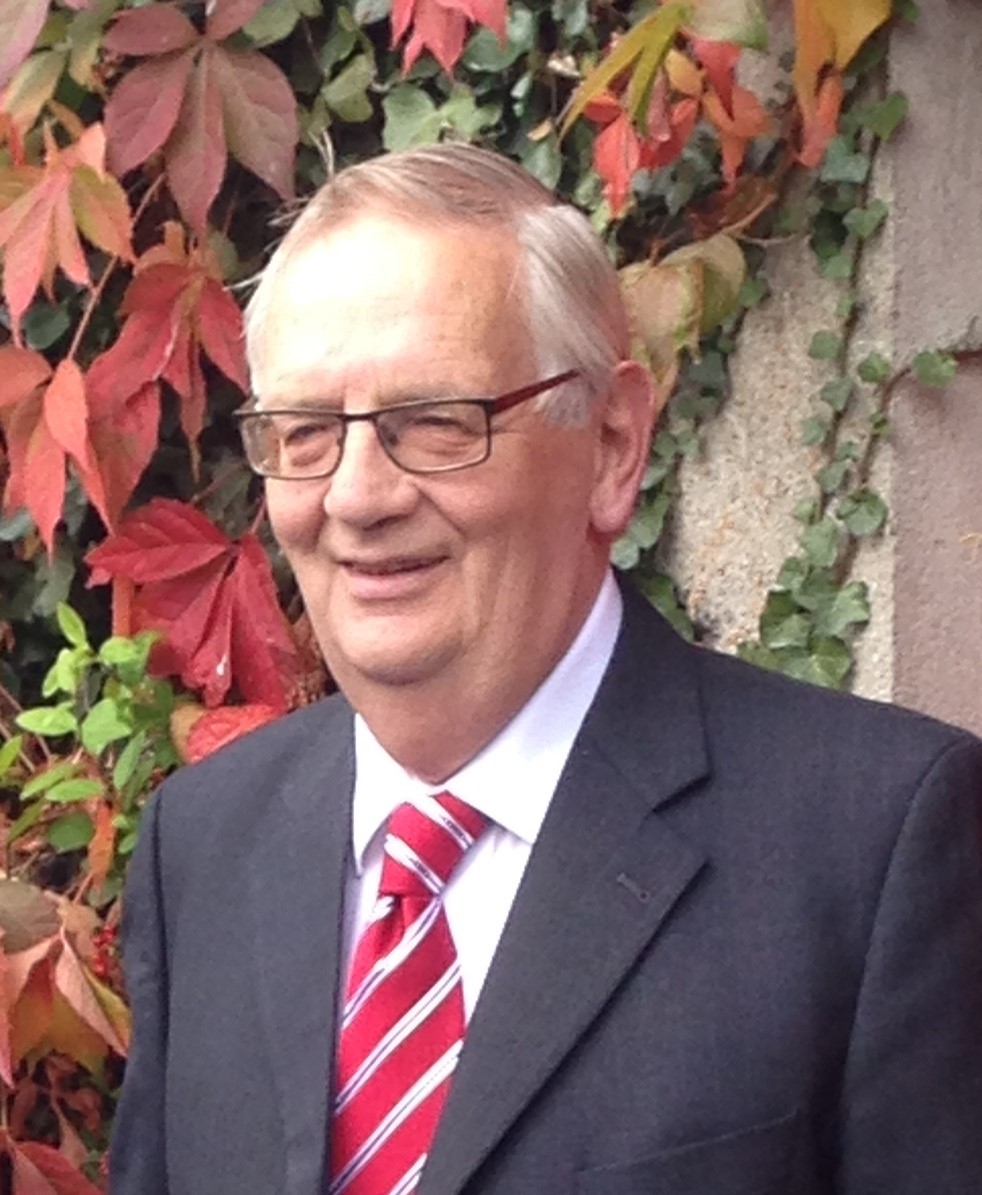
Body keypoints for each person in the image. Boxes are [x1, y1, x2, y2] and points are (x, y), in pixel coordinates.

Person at [109, 145, 982, 1195]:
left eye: (437, 422)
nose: (355, 496)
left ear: (612, 444)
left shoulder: (876, 843)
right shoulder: (202, 844)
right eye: (304, 433)